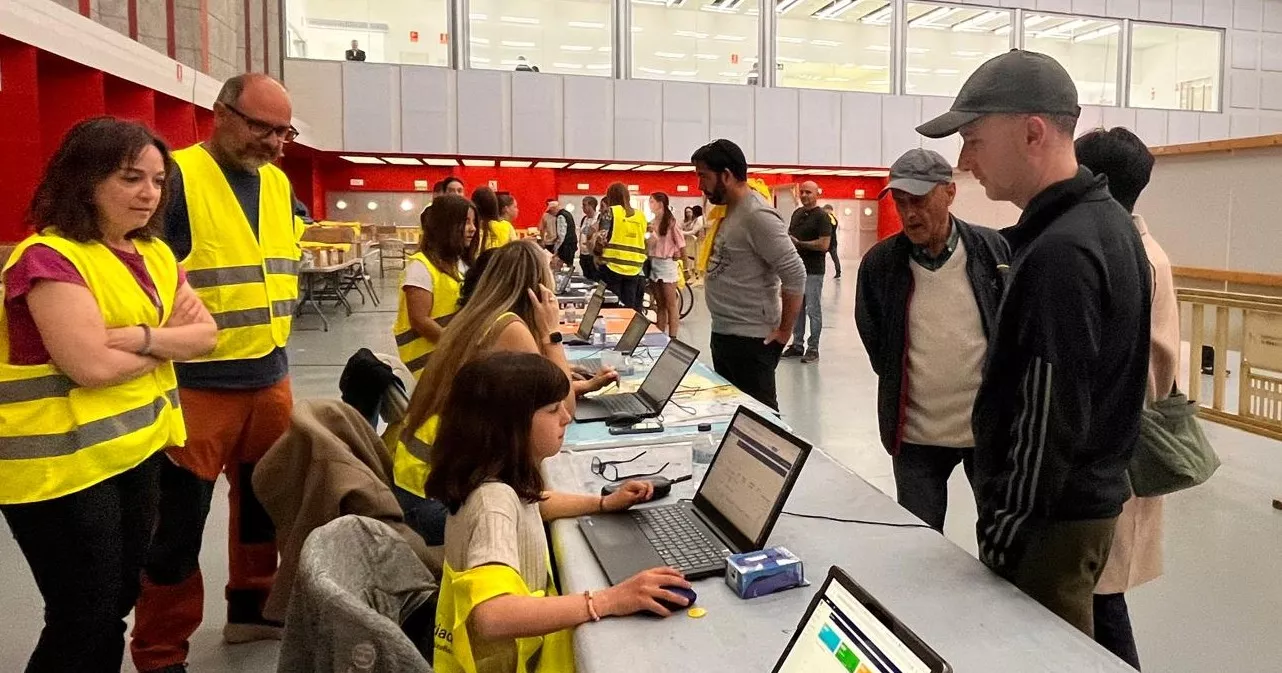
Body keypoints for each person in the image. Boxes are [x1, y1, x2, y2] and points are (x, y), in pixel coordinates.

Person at [917, 50, 1151, 636]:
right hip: (1078, 509)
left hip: (1049, 522)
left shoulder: (1061, 253)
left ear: (1031, 133)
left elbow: (1050, 413)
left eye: (972, 138)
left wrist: (1006, 527)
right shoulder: (1105, 224)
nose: (964, 161)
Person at [0, 118, 216, 673]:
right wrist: (172, 343)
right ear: (86, 179)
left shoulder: (157, 255)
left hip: (132, 450)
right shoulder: (49, 258)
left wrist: (146, 338)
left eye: (158, 181)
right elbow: (90, 364)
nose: (148, 194)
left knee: (116, 602)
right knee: (83, 613)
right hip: (58, 467)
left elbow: (207, 336)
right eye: (130, 178)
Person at [132, 73, 307, 671]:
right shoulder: (174, 178)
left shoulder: (280, 185)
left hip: (270, 378)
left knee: (264, 507)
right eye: (262, 126)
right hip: (194, 386)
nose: (274, 142)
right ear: (221, 113)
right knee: (177, 526)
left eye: (283, 131)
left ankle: (251, 610)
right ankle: (161, 651)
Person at [428, 353, 691, 673]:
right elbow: (492, 615)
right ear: (511, 426)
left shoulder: (494, 481)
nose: (566, 416)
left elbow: (535, 504)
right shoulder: (492, 505)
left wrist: (604, 503)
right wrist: (609, 600)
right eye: (553, 410)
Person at [392, 240, 617, 546]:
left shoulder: (479, 318)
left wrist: (583, 385)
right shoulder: (510, 328)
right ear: (537, 290)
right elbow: (563, 404)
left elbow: (525, 395)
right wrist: (551, 334)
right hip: (435, 504)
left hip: (415, 484)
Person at [854, 148, 1009, 533]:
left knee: (1000, 539)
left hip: (986, 433)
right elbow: (878, 346)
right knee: (920, 544)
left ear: (950, 193)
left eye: (919, 201)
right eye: (900, 202)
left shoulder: (993, 252)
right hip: (915, 437)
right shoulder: (880, 265)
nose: (908, 213)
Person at [1076, 126, 1177, 670]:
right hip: (1116, 446)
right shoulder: (1136, 249)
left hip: (1118, 449)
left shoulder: (1133, 257)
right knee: (1097, 592)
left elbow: (1142, 367)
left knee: (1102, 595)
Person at [691, 139, 805, 411]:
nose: (700, 186)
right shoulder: (728, 212)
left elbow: (795, 273)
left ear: (727, 176)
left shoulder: (757, 215)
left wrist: (784, 332)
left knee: (760, 423)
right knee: (731, 416)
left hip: (752, 340)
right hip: (725, 333)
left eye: (703, 177)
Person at [393, 194, 478, 378]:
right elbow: (420, 321)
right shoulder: (420, 267)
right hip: (429, 365)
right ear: (446, 226)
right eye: (466, 222)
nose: (473, 229)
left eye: (473, 222)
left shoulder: (459, 262)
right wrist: (456, 345)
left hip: (448, 359)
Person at [782, 181, 831, 364]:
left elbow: (824, 244)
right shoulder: (797, 214)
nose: (804, 195)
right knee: (797, 309)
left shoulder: (822, 217)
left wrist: (800, 244)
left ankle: (813, 348)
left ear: (816, 194)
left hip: (814, 271)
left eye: (808, 192)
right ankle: (797, 344)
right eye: (802, 192)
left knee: (813, 309)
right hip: (796, 270)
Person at [594, 183, 649, 310]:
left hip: (611, 266)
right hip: (634, 268)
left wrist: (597, 253)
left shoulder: (610, 212)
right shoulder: (641, 216)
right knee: (628, 307)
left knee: (611, 305)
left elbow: (601, 237)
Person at [646, 192, 686, 338]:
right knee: (659, 304)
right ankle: (660, 334)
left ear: (660, 204)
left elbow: (681, 244)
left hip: (667, 264)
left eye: (652, 201)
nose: (650, 205)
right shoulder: (651, 223)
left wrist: (685, 265)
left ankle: (673, 336)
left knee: (671, 304)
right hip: (654, 263)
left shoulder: (671, 222)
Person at [473, 186, 517, 252]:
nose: (517, 210)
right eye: (515, 207)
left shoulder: (472, 228)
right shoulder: (507, 227)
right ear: (495, 205)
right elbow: (515, 251)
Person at [578, 196, 600, 280]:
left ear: (591, 206)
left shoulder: (599, 218)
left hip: (593, 255)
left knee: (595, 278)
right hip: (583, 255)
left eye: (584, 205)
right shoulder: (584, 219)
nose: (582, 207)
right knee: (586, 278)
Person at [554, 202, 577, 270]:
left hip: (566, 246)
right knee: (569, 265)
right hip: (572, 243)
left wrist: (556, 248)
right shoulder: (567, 213)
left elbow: (561, 234)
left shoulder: (560, 216)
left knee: (563, 267)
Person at [823, 204, 842, 279]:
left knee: (833, 257)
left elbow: (833, 226)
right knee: (834, 257)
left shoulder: (829, 217)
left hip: (829, 242)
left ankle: (838, 272)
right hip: (832, 242)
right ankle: (838, 272)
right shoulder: (832, 217)